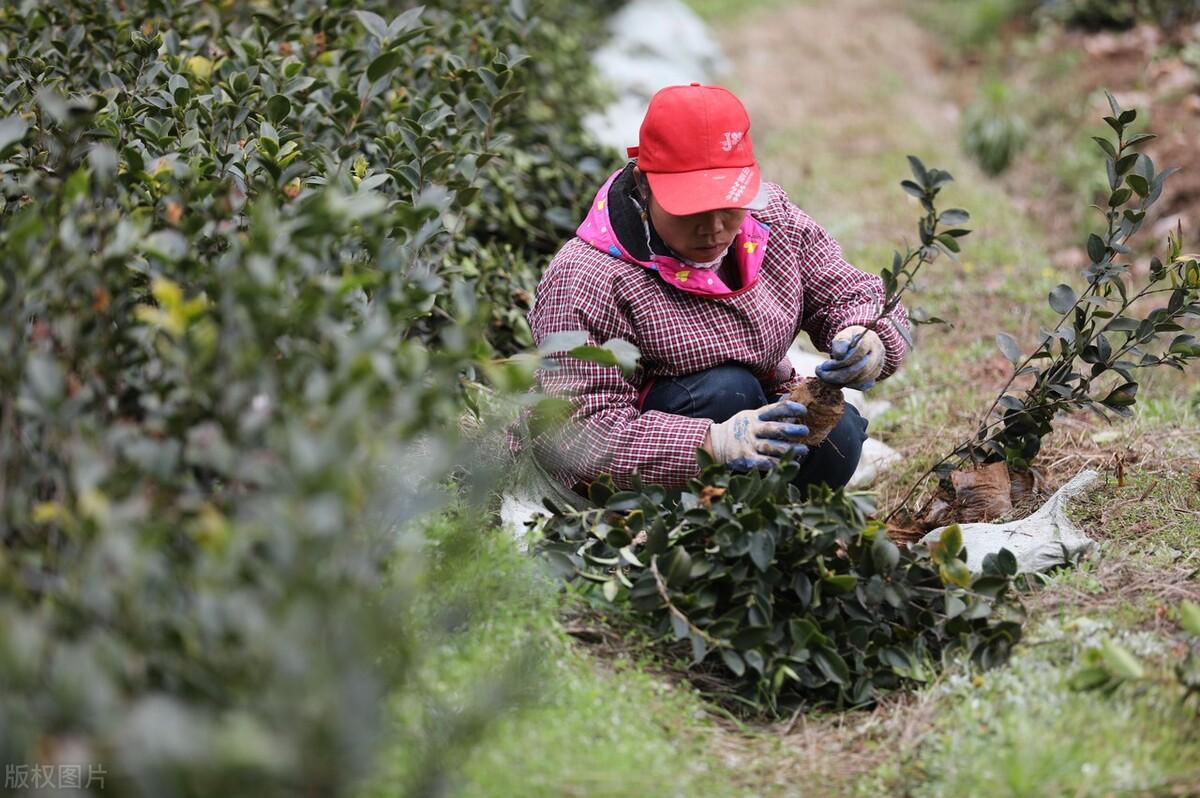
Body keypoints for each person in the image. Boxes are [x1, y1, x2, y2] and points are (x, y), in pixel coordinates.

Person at [523, 83, 910, 495]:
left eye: (728, 205)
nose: (713, 228)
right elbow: (579, 432)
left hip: (746, 415)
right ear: (644, 183)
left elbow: (845, 289)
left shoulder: (770, 220)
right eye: (689, 210)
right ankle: (689, 523)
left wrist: (868, 337)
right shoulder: (588, 277)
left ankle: (758, 521)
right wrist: (709, 443)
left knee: (840, 436)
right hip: (635, 459)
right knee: (728, 391)